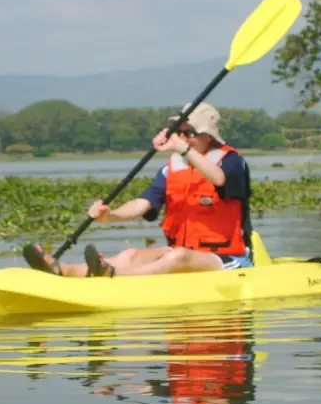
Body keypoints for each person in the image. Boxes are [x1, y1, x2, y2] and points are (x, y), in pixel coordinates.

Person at [21, 101, 254, 277]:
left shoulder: (231, 162)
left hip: (227, 259)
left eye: (189, 133)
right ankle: (64, 270)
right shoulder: (172, 169)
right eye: (179, 131)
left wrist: (182, 149)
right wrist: (110, 216)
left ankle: (117, 278)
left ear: (207, 136)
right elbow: (143, 204)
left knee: (178, 256)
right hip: (181, 252)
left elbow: (219, 179)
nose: (182, 137)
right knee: (130, 255)